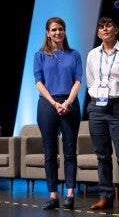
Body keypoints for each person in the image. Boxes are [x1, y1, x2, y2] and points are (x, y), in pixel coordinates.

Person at [85, 16, 119, 210]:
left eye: (109, 26)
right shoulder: (92, 55)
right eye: (101, 27)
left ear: (116, 30)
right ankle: (105, 195)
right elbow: (90, 81)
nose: (105, 29)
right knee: (102, 155)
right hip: (97, 107)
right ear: (98, 33)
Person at [34, 17, 82, 210]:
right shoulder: (40, 55)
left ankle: (70, 195)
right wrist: (54, 103)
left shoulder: (74, 54)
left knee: (70, 152)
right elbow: (38, 82)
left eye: (60, 29)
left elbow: (78, 80)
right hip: (48, 104)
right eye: (53, 30)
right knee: (50, 152)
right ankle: (53, 196)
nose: (57, 33)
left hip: (70, 104)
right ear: (47, 33)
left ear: (65, 31)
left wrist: (67, 102)